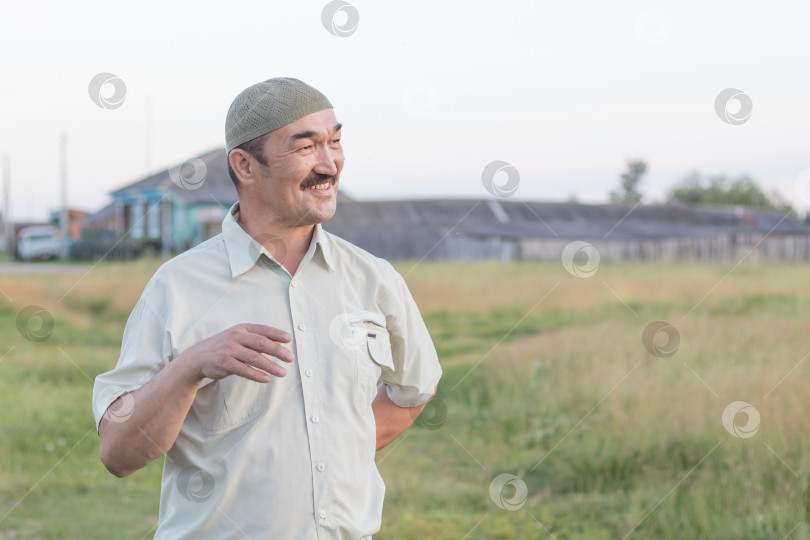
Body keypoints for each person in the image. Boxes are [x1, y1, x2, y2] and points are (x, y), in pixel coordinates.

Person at [92, 77, 442, 539]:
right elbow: (118, 454)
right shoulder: (175, 287)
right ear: (245, 165)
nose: (329, 163)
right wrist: (191, 367)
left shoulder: (374, 279)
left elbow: (413, 391)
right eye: (306, 147)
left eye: (335, 142)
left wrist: (334, 452)